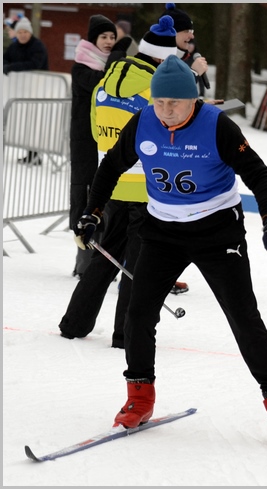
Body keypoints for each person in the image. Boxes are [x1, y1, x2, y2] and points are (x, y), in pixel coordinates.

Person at [72, 55, 267, 444]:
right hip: (162, 230)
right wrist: (91, 213)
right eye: (160, 102)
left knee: (243, 318)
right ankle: (139, 397)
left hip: (217, 231)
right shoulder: (144, 121)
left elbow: (258, 174)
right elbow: (111, 166)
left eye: (175, 103)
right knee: (137, 314)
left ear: (193, 99)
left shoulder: (217, 125)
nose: (166, 110)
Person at [59, 15, 179, 348]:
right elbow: (168, 137)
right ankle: (126, 334)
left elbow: (96, 129)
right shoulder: (155, 90)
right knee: (139, 262)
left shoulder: (104, 82)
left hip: (112, 182)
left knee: (106, 255)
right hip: (145, 186)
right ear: (161, 59)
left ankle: (74, 322)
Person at [69, 14, 117, 279]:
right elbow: (99, 83)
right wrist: (116, 61)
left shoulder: (111, 66)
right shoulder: (81, 66)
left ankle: (104, 263)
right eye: (104, 37)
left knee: (105, 195)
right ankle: (85, 263)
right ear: (93, 40)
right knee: (86, 195)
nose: (109, 41)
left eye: (112, 37)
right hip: (85, 143)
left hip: (105, 139)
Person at [3, 16, 49, 165]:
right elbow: (5, 59)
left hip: (37, 90)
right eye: (20, 32)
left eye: (25, 32)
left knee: (34, 121)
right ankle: (28, 152)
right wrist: (6, 66)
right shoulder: (14, 46)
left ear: (30, 33)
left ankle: (34, 154)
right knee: (22, 120)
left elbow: (34, 64)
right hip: (20, 90)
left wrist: (11, 68)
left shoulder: (37, 46)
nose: (22, 35)